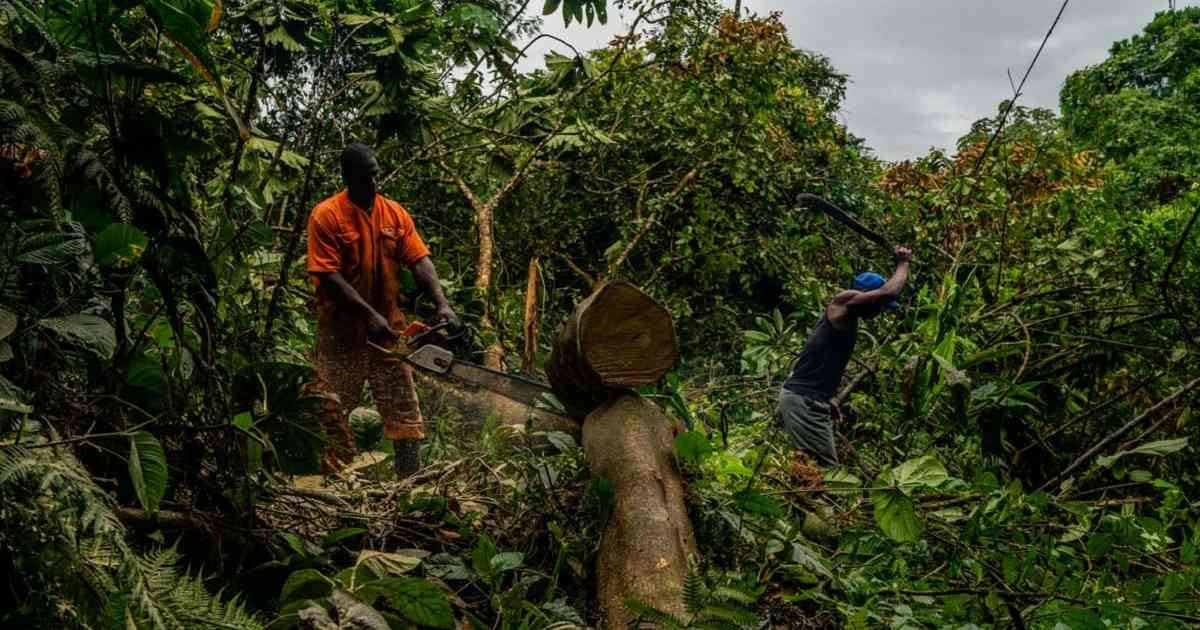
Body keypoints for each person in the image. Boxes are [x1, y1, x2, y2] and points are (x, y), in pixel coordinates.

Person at [306, 142, 459, 475]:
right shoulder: (327, 215)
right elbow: (328, 275)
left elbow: (419, 260)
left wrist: (442, 303)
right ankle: (325, 480)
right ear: (348, 178)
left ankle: (409, 481)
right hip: (341, 332)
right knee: (332, 409)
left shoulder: (394, 213)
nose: (373, 184)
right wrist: (367, 315)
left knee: (404, 410)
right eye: (365, 178)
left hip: (389, 327)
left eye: (375, 175)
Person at [777, 246, 913, 467]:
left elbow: (823, 362)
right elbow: (889, 292)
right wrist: (903, 262)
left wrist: (827, 397)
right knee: (828, 471)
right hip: (803, 400)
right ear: (865, 296)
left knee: (809, 467)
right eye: (878, 304)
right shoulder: (843, 303)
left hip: (810, 399)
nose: (880, 310)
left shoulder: (848, 319)